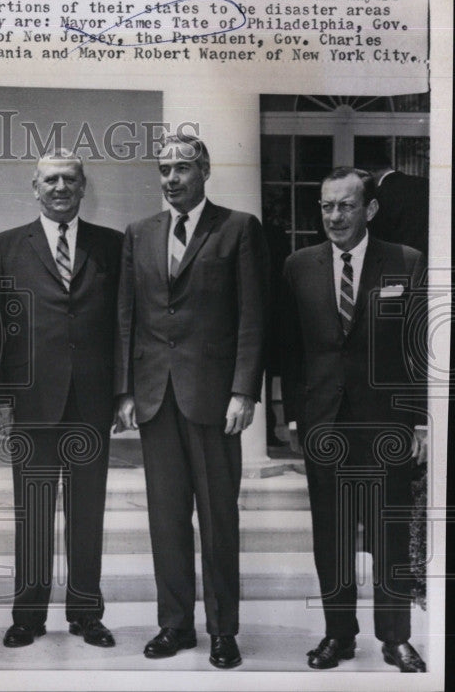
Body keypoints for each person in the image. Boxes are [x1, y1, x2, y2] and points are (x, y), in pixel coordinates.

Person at [114, 133, 267, 669]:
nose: (171, 179)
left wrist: (244, 391)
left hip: (213, 401)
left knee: (219, 518)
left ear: (204, 170)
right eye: (164, 169)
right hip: (156, 398)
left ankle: (224, 631)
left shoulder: (238, 228)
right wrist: (126, 390)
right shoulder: (140, 233)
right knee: (166, 520)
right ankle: (174, 625)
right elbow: (127, 317)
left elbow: (252, 316)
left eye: (181, 168)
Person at [281, 167, 428, 673]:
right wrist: (295, 417)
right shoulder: (298, 266)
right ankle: (338, 635)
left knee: (389, 533)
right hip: (325, 425)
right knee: (333, 536)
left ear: (369, 209)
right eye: (326, 206)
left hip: (387, 426)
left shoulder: (405, 262)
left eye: (345, 205)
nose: (335, 216)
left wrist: (421, 423)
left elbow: (420, 350)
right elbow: (291, 351)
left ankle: (396, 638)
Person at [0, 151, 121, 649]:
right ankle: (28, 614)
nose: (60, 187)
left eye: (69, 179)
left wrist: (122, 394)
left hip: (91, 400)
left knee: (88, 513)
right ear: (34, 187)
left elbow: (123, 326)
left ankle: (87, 612)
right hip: (30, 401)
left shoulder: (111, 246)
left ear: (83, 187)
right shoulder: (6, 247)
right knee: (34, 511)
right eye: (50, 180)